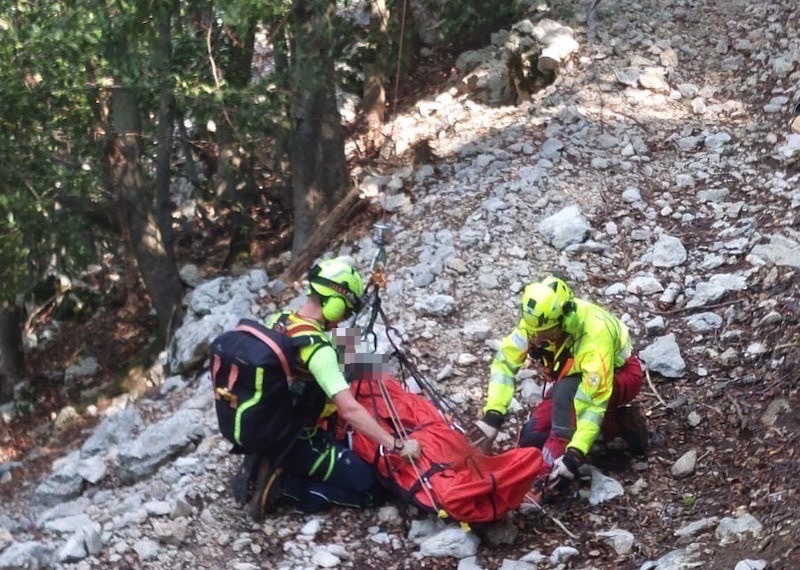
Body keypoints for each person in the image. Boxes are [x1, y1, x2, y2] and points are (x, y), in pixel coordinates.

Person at [244, 257, 421, 519]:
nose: (342, 320)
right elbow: (349, 410)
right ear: (336, 305)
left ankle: (268, 462)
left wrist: (357, 355)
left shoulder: (278, 321)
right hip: (296, 439)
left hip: (267, 427)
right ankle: (287, 487)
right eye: (346, 312)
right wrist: (395, 445)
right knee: (370, 489)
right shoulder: (318, 350)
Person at [469, 275, 647, 499]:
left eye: (546, 334)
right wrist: (493, 415)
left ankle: (550, 474)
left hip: (620, 375)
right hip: (571, 379)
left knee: (566, 402)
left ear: (566, 321)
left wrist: (574, 454)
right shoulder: (536, 322)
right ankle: (609, 425)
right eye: (535, 334)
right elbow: (504, 363)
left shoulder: (594, 335)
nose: (537, 339)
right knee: (530, 436)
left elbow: (592, 402)